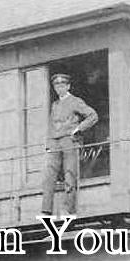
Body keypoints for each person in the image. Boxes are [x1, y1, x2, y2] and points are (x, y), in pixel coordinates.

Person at [40, 73, 98, 218]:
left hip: (69, 141)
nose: (59, 88)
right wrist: (48, 144)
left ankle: (68, 209)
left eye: (62, 85)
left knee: (70, 173)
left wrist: (78, 129)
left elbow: (93, 116)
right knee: (49, 175)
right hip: (55, 142)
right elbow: (52, 125)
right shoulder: (55, 105)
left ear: (68, 86)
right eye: (56, 86)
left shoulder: (75, 101)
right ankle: (46, 210)